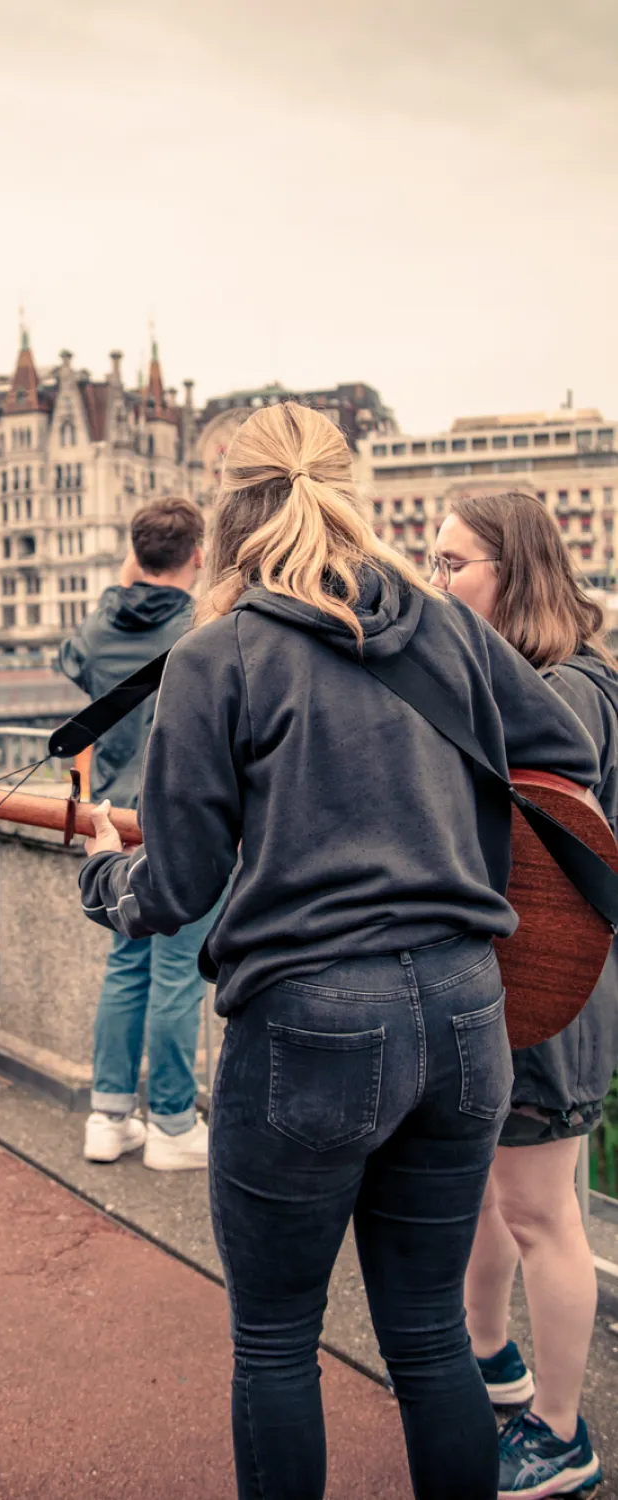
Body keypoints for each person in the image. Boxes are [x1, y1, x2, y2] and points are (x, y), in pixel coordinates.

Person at [78, 402, 597, 1500]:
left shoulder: (219, 654)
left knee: (275, 1341)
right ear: (351, 495)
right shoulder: (445, 626)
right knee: (425, 1335)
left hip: (314, 1020)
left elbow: (172, 886)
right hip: (465, 1011)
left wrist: (99, 878)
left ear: (232, 511)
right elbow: (562, 753)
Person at [437, 492, 612, 1497]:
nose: (439, 583)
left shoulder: (566, 695)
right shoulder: (564, 678)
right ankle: (494, 1360)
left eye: (455, 563)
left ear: (515, 572)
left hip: (553, 987)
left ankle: (559, 1430)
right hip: (536, 983)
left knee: (542, 1213)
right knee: (497, 1199)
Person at [59, 496, 214, 1170]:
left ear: (134, 553)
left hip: (114, 820)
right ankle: (174, 1125)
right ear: (200, 556)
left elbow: (79, 671)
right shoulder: (205, 629)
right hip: (183, 821)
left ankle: (110, 1116)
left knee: (127, 965)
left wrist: (128, 576)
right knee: (178, 972)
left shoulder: (96, 630)